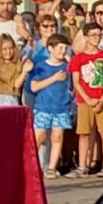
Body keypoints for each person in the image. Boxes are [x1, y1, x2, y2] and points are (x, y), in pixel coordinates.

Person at [69, 26, 103, 176]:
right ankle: (82, 166)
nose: (96, 38)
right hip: (85, 100)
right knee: (84, 133)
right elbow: (76, 82)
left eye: (98, 35)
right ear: (86, 37)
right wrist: (88, 99)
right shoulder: (78, 59)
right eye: (93, 35)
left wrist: (102, 99)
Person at [28, 33, 73, 172]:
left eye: (65, 48)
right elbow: (34, 87)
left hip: (62, 107)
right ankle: (30, 165)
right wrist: (54, 78)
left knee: (57, 136)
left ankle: (52, 167)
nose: (62, 51)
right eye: (59, 48)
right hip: (44, 106)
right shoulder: (41, 66)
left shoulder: (67, 67)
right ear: (50, 48)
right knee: (39, 137)